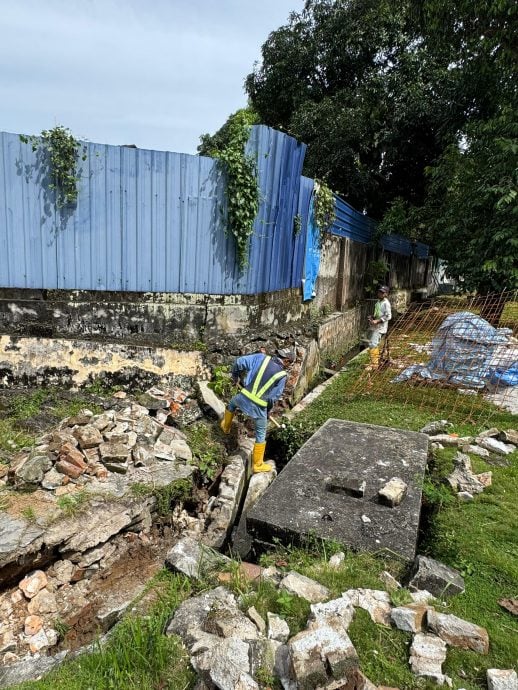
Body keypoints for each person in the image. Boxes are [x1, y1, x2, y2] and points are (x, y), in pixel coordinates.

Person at [220, 349, 294, 473]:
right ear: (286, 361)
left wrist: (235, 376)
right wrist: (267, 411)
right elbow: (273, 397)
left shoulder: (261, 358)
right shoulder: (282, 376)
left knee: (231, 404)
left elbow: (239, 362)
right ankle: (258, 464)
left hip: (243, 397)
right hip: (259, 406)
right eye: (290, 363)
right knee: (260, 433)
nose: (289, 366)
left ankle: (225, 427)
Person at [367, 285, 392, 368]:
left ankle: (374, 364)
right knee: (373, 344)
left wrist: (378, 321)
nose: (380, 294)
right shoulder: (378, 302)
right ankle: (375, 362)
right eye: (379, 292)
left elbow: (388, 316)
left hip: (380, 327)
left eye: (382, 292)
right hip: (375, 326)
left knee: (373, 344)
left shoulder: (386, 303)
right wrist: (372, 317)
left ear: (386, 294)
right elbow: (377, 314)